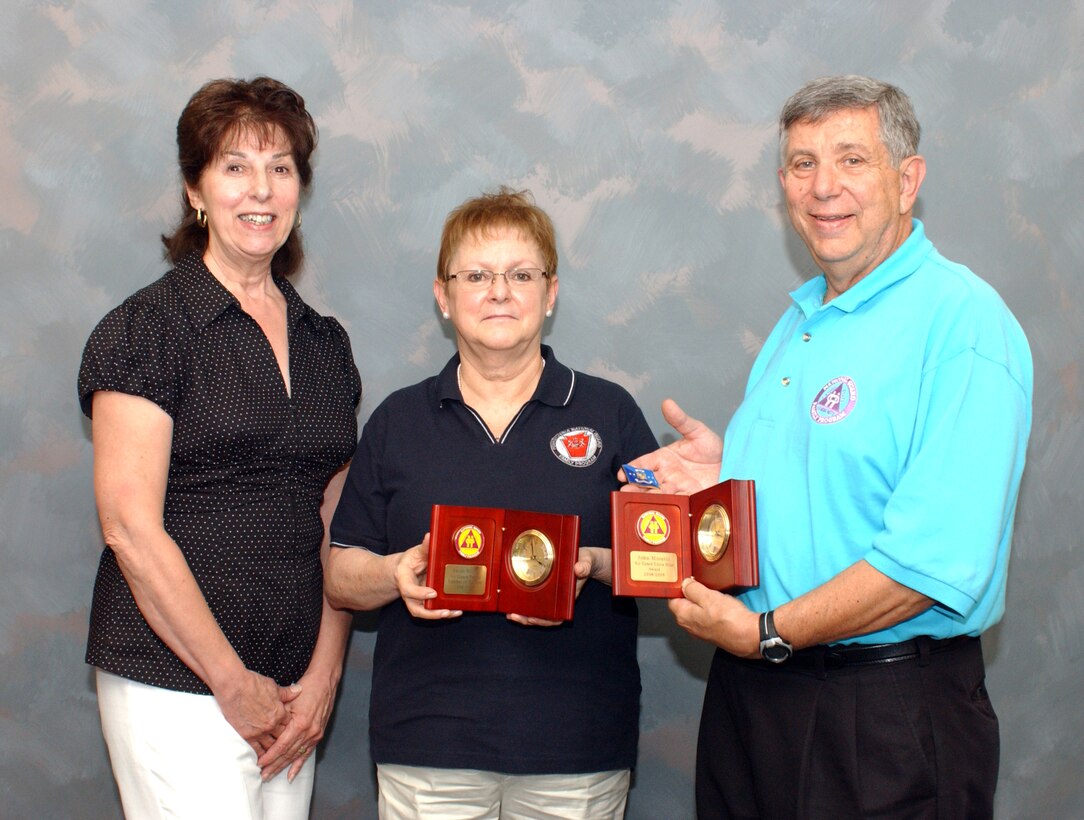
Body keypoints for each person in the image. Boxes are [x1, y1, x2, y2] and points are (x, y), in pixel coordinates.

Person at [624, 75, 1032, 818]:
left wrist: (767, 634)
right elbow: (834, 482)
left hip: (881, 713)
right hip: (756, 697)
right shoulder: (801, 322)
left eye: (851, 159)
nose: (824, 187)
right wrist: (731, 471)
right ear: (783, 186)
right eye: (803, 164)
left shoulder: (962, 323)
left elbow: (931, 565)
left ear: (908, 181)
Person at [325, 187, 658, 819]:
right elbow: (342, 576)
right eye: (476, 275)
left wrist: (592, 564)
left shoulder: (610, 413)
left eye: (520, 274)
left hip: (576, 746)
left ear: (551, 292)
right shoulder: (397, 420)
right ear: (443, 296)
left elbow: (665, 561)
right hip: (428, 745)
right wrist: (395, 574)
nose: (499, 292)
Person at [78, 77, 361, 818]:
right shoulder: (148, 331)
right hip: (173, 679)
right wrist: (231, 682)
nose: (259, 189)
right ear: (195, 191)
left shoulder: (326, 345)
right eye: (235, 166)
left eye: (281, 167)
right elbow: (131, 530)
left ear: (300, 188)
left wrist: (325, 672)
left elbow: (340, 528)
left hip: (292, 688)